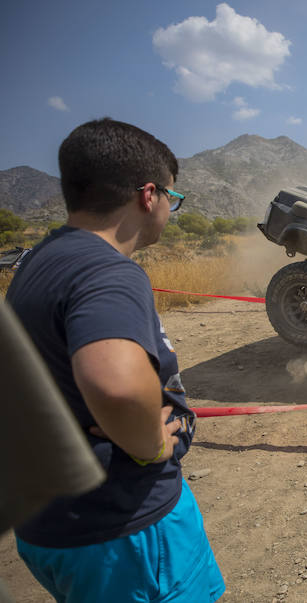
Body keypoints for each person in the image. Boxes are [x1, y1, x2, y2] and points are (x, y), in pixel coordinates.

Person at [5, 118, 225, 602]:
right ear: (149, 195)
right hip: (126, 529)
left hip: (56, 527)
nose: (171, 207)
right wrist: (150, 443)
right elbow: (116, 385)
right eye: (174, 197)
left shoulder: (39, 263)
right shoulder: (108, 270)